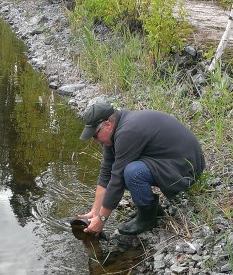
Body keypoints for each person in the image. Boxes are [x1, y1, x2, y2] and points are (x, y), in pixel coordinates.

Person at [77, 101, 205, 236]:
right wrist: (95, 212)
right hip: (169, 161)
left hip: (186, 170)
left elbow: (117, 180)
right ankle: (154, 211)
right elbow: (106, 173)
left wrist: (102, 219)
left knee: (132, 172)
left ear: (108, 125)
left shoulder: (127, 132)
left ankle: (148, 219)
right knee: (126, 171)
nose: (94, 140)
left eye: (94, 135)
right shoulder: (115, 131)